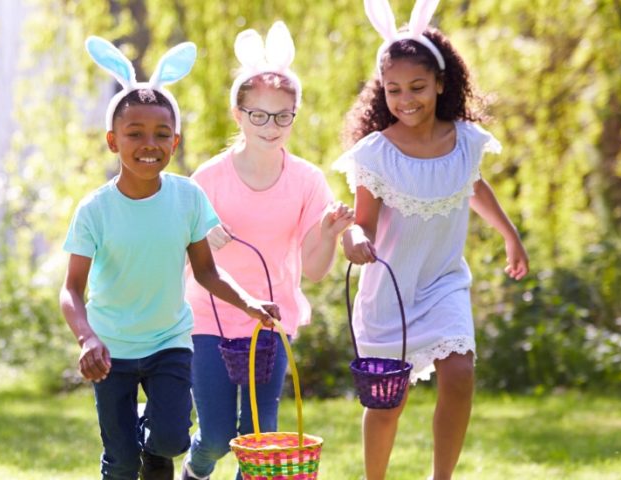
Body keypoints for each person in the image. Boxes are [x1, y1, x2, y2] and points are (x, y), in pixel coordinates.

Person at [61, 36, 281, 480]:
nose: (150, 143)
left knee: (173, 439)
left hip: (169, 342)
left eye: (162, 134)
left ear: (175, 141)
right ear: (112, 140)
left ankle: (155, 446)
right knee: (122, 463)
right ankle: (136, 456)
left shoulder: (187, 197)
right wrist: (86, 337)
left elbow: (206, 271)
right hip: (112, 348)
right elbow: (71, 289)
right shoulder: (95, 210)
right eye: (135, 133)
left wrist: (250, 304)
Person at [335, 1, 529, 479]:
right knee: (386, 404)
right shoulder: (376, 154)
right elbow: (363, 221)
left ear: (441, 82)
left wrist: (510, 234)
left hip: (443, 282)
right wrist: (352, 241)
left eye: (417, 87)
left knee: (460, 374)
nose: (407, 99)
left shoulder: (466, 140)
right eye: (394, 89)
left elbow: (472, 186)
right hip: (390, 294)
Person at [180, 22, 353, 480]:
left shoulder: (307, 180)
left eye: (282, 116)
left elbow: (314, 270)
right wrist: (198, 241)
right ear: (238, 114)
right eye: (258, 114)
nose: (270, 126)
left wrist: (332, 232)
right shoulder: (209, 179)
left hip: (271, 320)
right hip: (209, 319)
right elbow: (182, 256)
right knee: (217, 436)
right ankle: (195, 469)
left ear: (295, 116)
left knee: (260, 440)